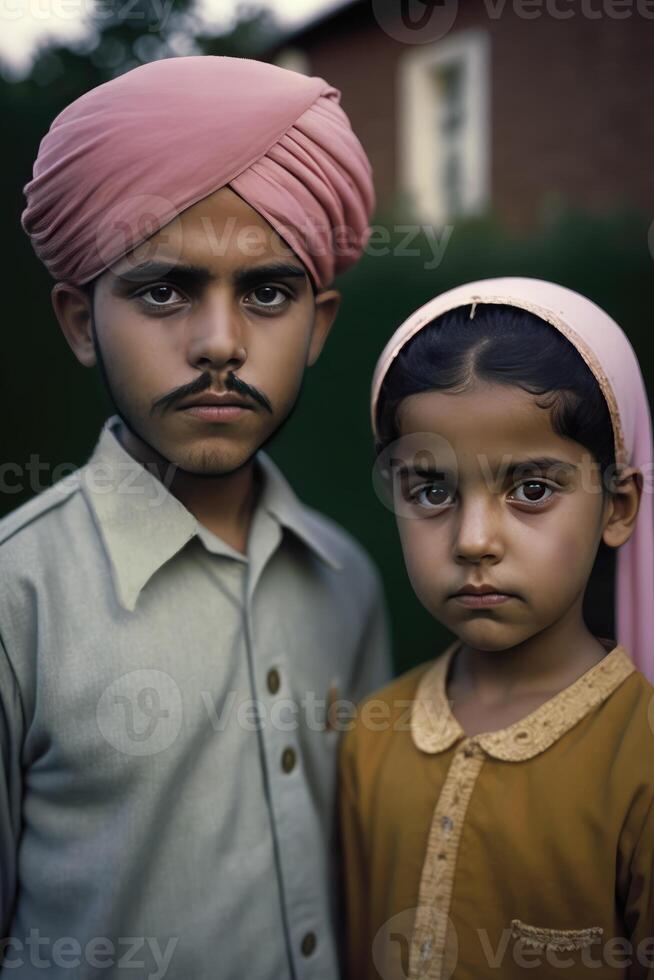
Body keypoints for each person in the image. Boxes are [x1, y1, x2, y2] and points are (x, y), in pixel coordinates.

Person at [0, 56, 391, 979]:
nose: (219, 342)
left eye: (266, 292)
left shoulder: (350, 582)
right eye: (164, 290)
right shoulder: (18, 603)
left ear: (320, 323)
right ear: (80, 319)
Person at [339, 278, 654, 980]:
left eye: (531, 489)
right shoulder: (372, 736)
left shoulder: (640, 752)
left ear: (618, 506)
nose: (473, 540)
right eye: (432, 490)